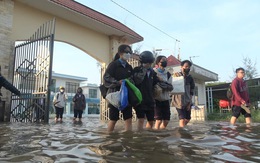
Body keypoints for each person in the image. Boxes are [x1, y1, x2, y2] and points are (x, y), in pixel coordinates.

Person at [103, 44, 133, 132]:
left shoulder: (129, 67)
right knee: (113, 118)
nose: (128, 54)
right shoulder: (113, 65)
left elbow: (132, 79)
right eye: (126, 52)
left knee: (128, 118)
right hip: (114, 95)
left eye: (129, 52)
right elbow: (106, 78)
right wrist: (117, 82)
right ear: (120, 53)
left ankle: (128, 138)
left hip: (126, 95)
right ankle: (109, 137)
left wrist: (129, 81)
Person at [133, 51, 159, 131]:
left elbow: (155, 83)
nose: (149, 64)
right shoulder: (136, 70)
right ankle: (139, 135)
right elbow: (137, 81)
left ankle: (147, 135)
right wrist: (143, 69)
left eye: (150, 63)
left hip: (150, 99)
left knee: (151, 120)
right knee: (141, 119)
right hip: (139, 99)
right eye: (147, 63)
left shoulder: (152, 72)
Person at [171, 60, 195, 128]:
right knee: (182, 119)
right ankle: (181, 135)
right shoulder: (176, 75)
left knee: (187, 118)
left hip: (187, 101)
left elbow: (192, 91)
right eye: (186, 66)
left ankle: (181, 129)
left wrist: (189, 102)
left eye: (189, 67)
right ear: (181, 67)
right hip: (178, 101)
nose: (187, 68)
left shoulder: (190, 78)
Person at [153, 55, 173, 130]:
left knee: (166, 120)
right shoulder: (153, 72)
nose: (164, 62)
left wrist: (162, 83)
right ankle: (157, 135)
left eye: (165, 60)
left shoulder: (168, 74)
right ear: (158, 62)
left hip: (165, 99)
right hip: (156, 99)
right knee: (158, 120)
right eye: (162, 60)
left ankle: (161, 132)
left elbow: (170, 86)